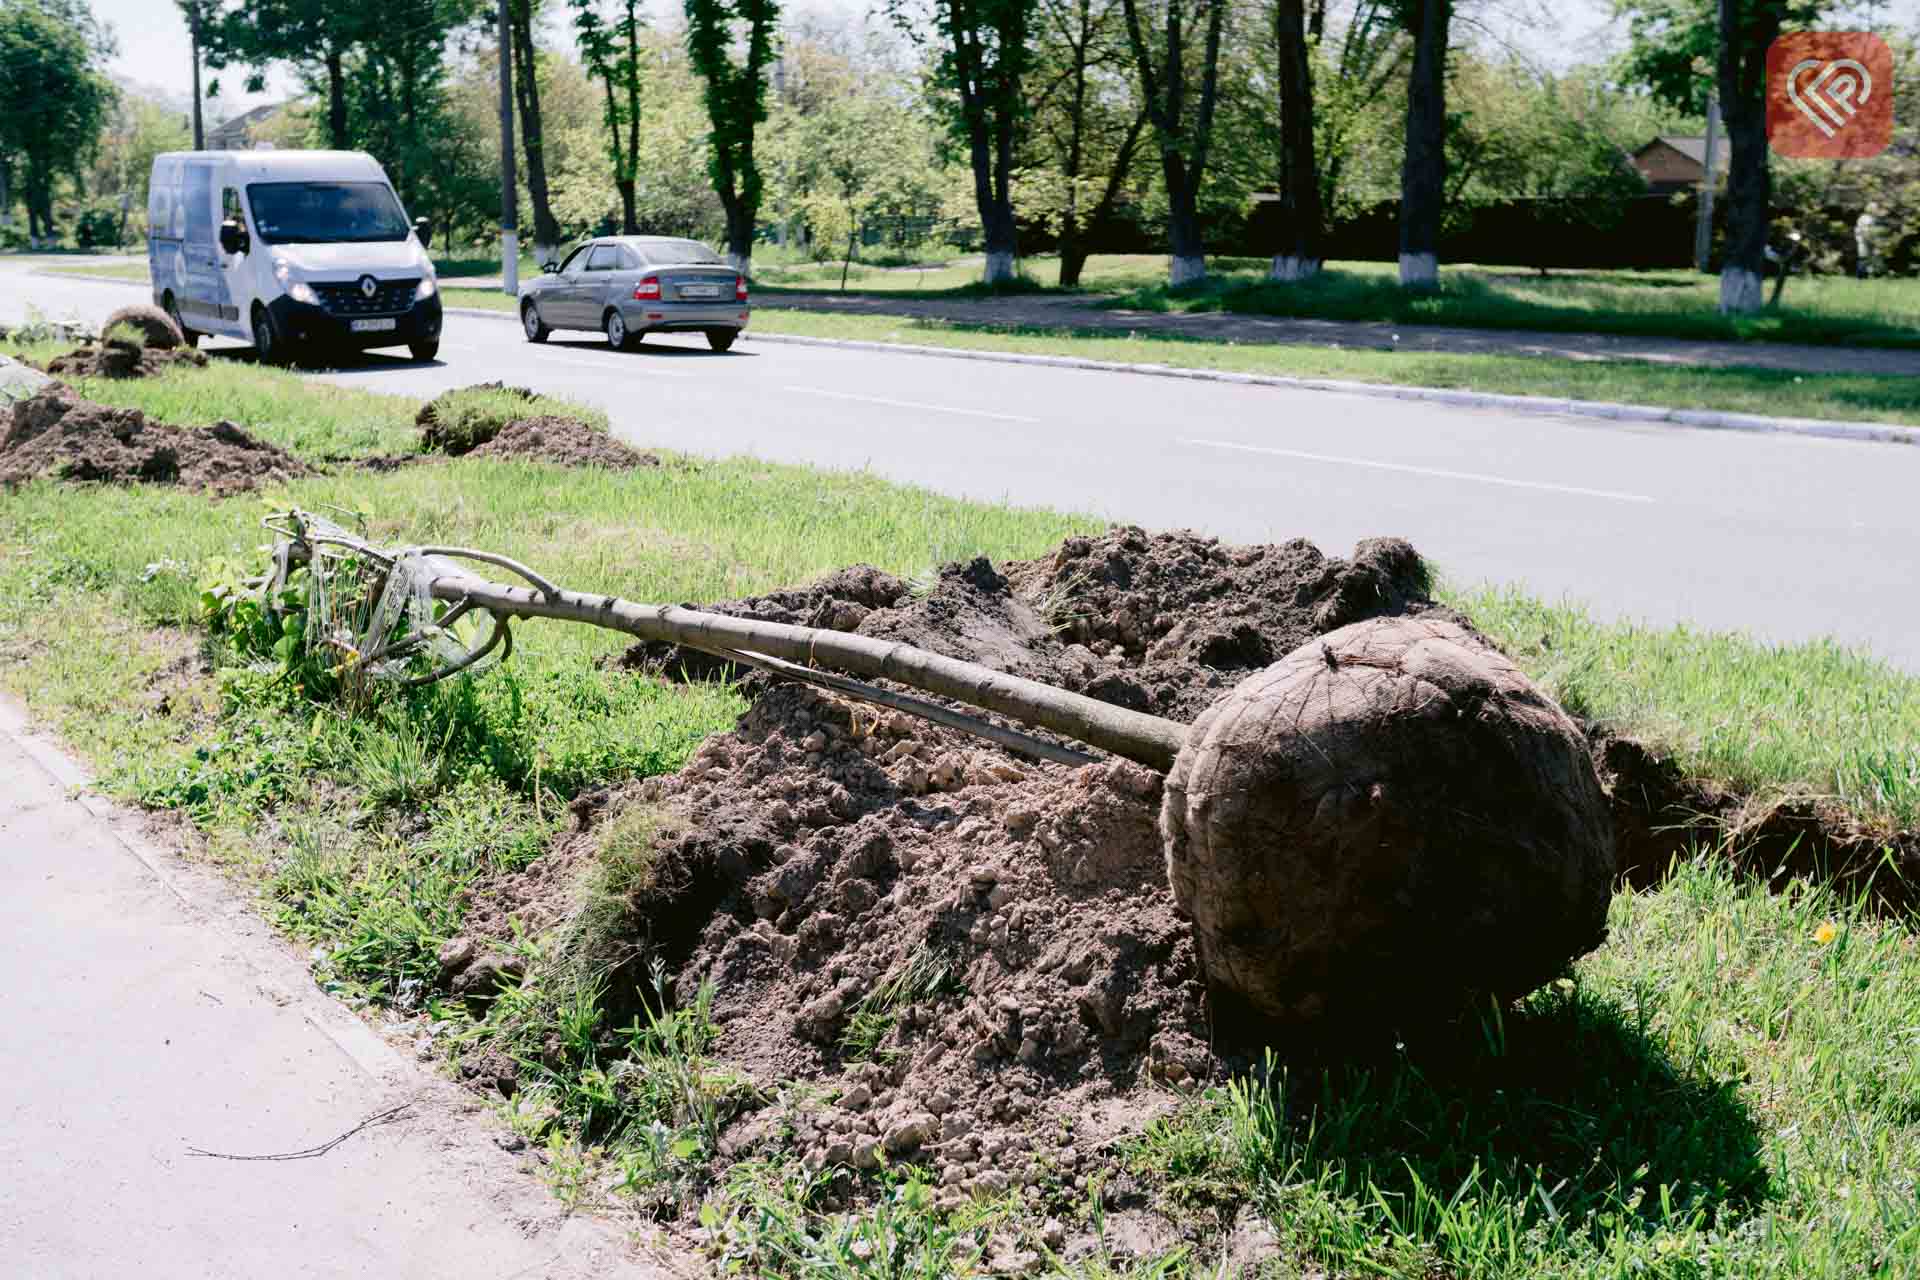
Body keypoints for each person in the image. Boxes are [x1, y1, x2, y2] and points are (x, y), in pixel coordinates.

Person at [1856, 204, 1881, 279]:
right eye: (1875, 208)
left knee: (1871, 259)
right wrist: (1871, 241)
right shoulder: (1865, 218)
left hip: (1869, 241)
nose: (1877, 210)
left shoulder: (1872, 218)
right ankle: (1861, 276)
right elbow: (1865, 231)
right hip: (1864, 241)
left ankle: (1870, 275)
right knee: (1863, 259)